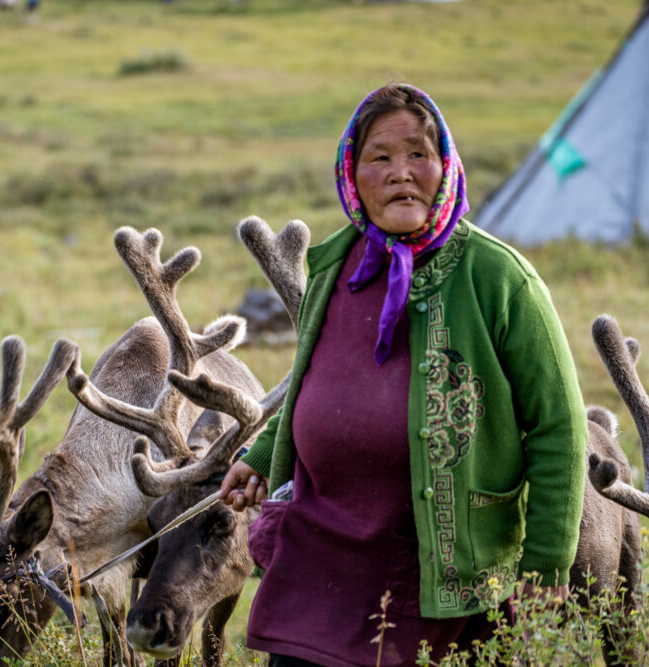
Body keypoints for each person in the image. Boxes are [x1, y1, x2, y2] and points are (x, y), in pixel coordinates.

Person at [219, 83, 587, 666]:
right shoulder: (333, 265)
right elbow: (312, 378)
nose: (401, 174)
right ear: (351, 173)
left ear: (446, 166)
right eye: (379, 158)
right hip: (321, 559)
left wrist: (545, 569)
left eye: (418, 153)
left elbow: (559, 429)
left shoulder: (498, 278)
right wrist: (266, 453)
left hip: (442, 574)